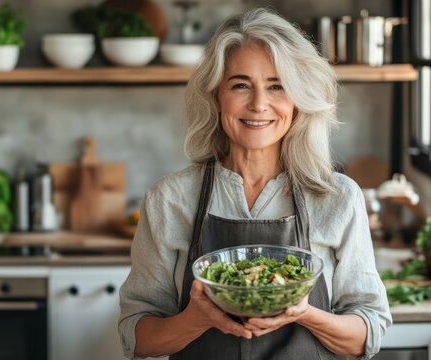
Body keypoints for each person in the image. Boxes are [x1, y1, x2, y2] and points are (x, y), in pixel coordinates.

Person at [118, 8, 391, 360]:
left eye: (277, 86)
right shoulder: (169, 199)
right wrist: (196, 319)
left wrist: (305, 313)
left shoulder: (338, 197)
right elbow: (137, 338)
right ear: (217, 97)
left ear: (297, 101)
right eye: (240, 85)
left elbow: (367, 335)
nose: (259, 104)